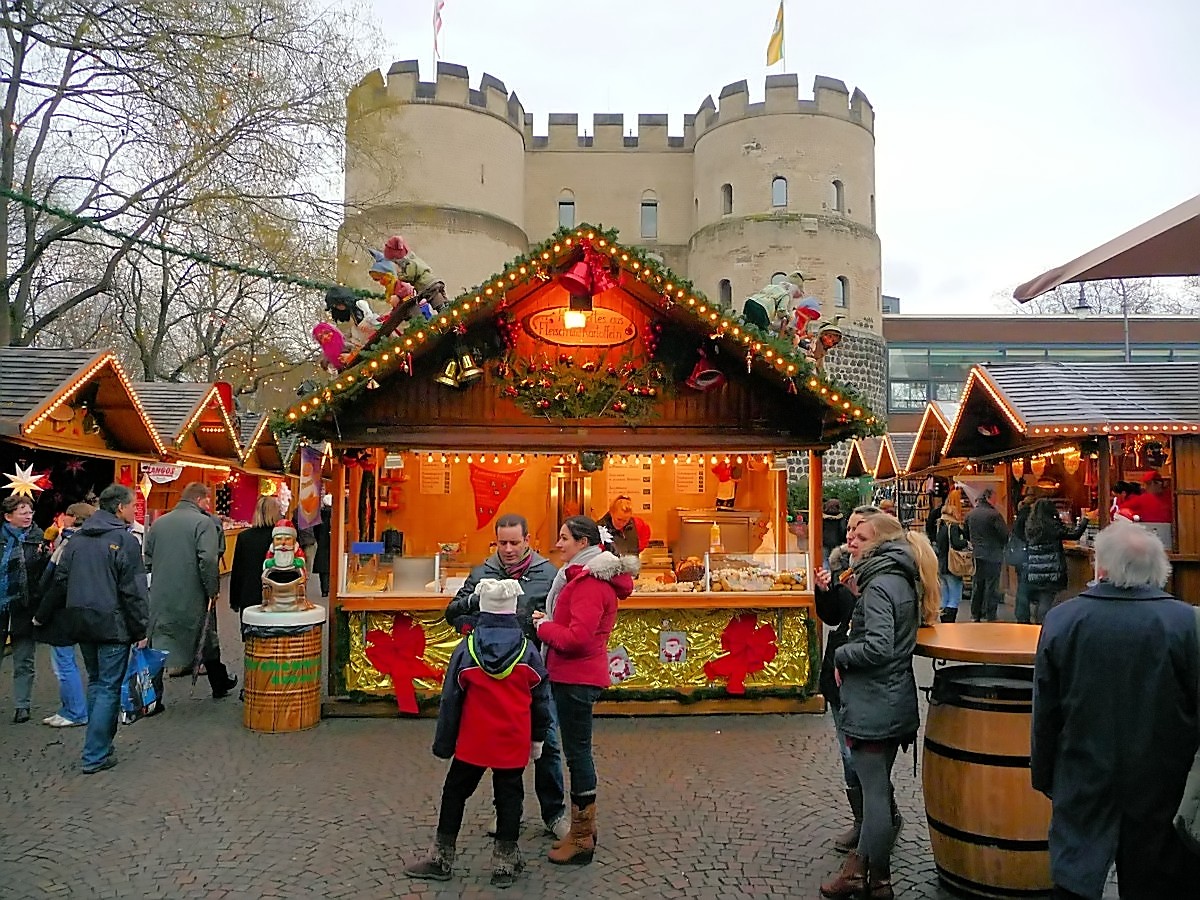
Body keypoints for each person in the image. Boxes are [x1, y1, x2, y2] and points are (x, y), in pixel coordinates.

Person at [1032, 520, 1200, 897]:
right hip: (1162, 780)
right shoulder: (1186, 623)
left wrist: (1045, 774)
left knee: (1076, 878)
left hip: (1083, 771)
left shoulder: (1063, 620)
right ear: (1159, 569)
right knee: (1155, 881)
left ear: (1101, 567)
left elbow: (1046, 710)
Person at [821, 512, 940, 900]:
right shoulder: (898, 578)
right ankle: (876, 878)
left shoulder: (878, 586)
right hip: (890, 697)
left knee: (874, 797)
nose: (852, 539)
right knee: (877, 791)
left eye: (861, 535)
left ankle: (865, 875)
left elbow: (878, 646)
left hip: (875, 700)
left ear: (880, 544)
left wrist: (842, 655)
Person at [406, 578, 552, 888]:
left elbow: (450, 700)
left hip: (473, 741)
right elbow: (541, 699)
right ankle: (505, 861)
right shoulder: (528, 652)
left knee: (455, 793)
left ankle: (441, 857)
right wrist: (537, 739)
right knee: (510, 797)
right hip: (512, 741)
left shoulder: (466, 650)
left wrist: (444, 744)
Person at [444, 513, 567, 840]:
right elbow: (454, 613)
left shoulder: (548, 574)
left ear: (529, 540)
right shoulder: (482, 573)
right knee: (497, 747)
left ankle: (554, 813)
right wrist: (471, 622)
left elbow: (560, 617)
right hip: (491, 676)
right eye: (503, 542)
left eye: (515, 542)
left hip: (534, 672)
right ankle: (506, 812)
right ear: (495, 541)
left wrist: (545, 623)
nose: (509, 549)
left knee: (548, 743)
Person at [532, 516, 636, 865]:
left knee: (577, 754)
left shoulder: (590, 583)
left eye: (563, 538)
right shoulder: (583, 575)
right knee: (577, 753)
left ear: (582, 542)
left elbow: (577, 639)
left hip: (576, 677)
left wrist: (543, 627)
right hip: (572, 675)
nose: (558, 544)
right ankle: (583, 829)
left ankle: (580, 836)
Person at [43, 484, 149, 774]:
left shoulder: (76, 540)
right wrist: (141, 628)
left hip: (83, 620)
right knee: (107, 686)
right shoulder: (124, 541)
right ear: (119, 508)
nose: (133, 510)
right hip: (112, 623)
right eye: (131, 505)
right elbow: (133, 590)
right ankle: (95, 753)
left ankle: (100, 747)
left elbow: (60, 580)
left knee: (97, 681)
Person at [812, 504, 880, 854]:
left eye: (859, 532)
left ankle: (878, 822)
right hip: (839, 678)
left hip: (863, 678)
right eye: (850, 530)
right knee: (847, 754)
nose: (850, 536)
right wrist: (826, 591)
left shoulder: (884, 577)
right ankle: (864, 821)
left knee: (863, 757)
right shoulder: (844, 567)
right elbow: (835, 616)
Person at [144, 482, 237, 697]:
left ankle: (153, 697)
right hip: (194, 592)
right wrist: (212, 589)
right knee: (207, 636)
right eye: (207, 500)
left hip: (162, 593)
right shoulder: (203, 523)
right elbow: (207, 559)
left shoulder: (159, 523)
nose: (209, 505)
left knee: (160, 642)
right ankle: (219, 683)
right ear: (198, 500)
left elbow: (147, 558)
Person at [34, 502, 96, 727]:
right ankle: (73, 708)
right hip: (86, 609)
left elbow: (57, 582)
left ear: (73, 518)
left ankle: (74, 711)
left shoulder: (69, 544)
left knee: (64, 664)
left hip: (62, 613)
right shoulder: (90, 541)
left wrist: (40, 614)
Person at [0, 494, 50, 723]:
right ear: (8, 516)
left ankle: (22, 705)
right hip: (2, 607)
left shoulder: (38, 540)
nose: (28, 516)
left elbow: (44, 576)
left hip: (25, 607)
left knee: (24, 660)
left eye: (30, 512)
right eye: (22, 512)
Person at [1023, 500, 1087, 625]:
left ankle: (1038, 623)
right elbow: (1074, 534)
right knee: (1047, 598)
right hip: (1050, 567)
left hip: (1035, 568)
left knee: (1042, 598)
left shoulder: (1031, 525)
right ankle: (1043, 624)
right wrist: (1085, 520)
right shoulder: (1051, 525)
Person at [228, 496, 283, 619]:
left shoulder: (244, 537)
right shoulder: (281, 537)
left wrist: (235, 600)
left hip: (249, 595)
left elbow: (237, 570)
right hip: (277, 596)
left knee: (251, 634)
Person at [964, 488, 1008, 622]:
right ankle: (990, 614)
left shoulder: (971, 514)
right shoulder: (994, 515)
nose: (996, 501)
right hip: (993, 554)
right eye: (995, 498)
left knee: (978, 584)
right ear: (989, 497)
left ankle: (975, 614)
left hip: (977, 554)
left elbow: (965, 533)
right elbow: (1004, 535)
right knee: (991, 586)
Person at [934, 489, 969, 623]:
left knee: (945, 594)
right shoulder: (952, 527)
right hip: (952, 565)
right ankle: (950, 619)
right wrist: (966, 542)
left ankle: (944, 617)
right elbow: (957, 543)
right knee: (954, 594)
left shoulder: (940, 526)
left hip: (942, 564)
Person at [313, 494, 332, 598]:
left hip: (322, 543)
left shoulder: (319, 515)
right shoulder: (336, 515)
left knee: (323, 568)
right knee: (332, 566)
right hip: (332, 543)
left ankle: (324, 589)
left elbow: (315, 530)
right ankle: (331, 587)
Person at [821, 499, 847, 569]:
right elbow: (843, 530)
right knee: (835, 560)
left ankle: (826, 575)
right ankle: (833, 576)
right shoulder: (841, 518)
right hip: (836, 542)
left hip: (824, 542)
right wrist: (843, 540)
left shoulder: (822, 517)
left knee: (824, 560)